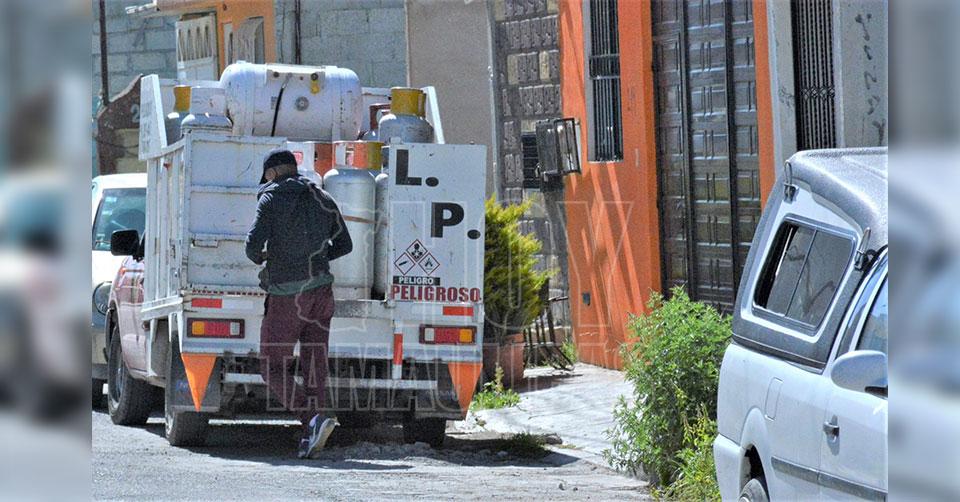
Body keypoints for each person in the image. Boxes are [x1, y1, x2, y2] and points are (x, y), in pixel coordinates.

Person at [245, 149, 353, 459]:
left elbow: (252, 246)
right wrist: (316, 257)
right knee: (314, 365)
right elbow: (345, 244)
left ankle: (312, 418)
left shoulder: (270, 197)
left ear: (272, 173)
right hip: (322, 293)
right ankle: (311, 435)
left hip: (288, 297)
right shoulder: (322, 197)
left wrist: (267, 258)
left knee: (272, 366)